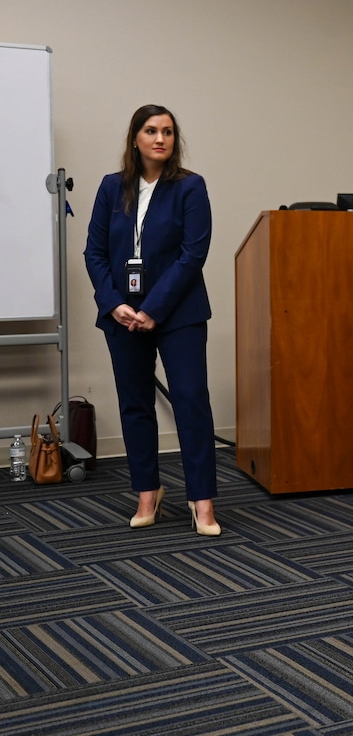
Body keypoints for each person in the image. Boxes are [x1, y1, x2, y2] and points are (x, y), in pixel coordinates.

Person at [84, 104, 221, 537]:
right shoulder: (111, 188)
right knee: (135, 403)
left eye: (168, 132)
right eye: (151, 130)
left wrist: (153, 309)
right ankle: (148, 493)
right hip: (122, 315)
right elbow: (95, 253)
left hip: (177, 313)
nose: (160, 138)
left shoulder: (190, 188)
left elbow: (192, 255)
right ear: (136, 138)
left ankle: (202, 502)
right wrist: (114, 304)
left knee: (191, 400)